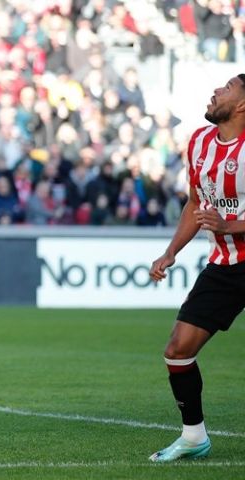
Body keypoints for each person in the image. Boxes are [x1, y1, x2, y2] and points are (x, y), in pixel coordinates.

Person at [148, 74, 245, 462]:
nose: (216, 90)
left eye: (228, 87)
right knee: (178, 349)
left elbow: (220, 219)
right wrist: (171, 251)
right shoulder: (200, 142)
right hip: (225, 265)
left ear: (241, 105)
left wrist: (232, 226)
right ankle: (193, 437)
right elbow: (195, 204)